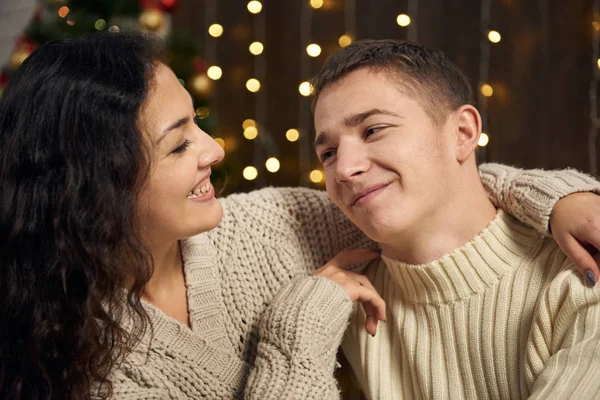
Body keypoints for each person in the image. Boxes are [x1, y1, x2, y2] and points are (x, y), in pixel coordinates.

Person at [0, 31, 598, 400]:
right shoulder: (68, 361)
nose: (213, 150)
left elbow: (435, 193)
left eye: (198, 125)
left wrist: (558, 198)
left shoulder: (278, 225)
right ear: (97, 186)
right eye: (180, 143)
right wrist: (302, 326)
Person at [310, 39, 600, 399]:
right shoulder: (340, 300)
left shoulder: (580, 275)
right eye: (328, 153)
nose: (344, 170)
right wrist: (305, 317)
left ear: (462, 134)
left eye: (373, 130)